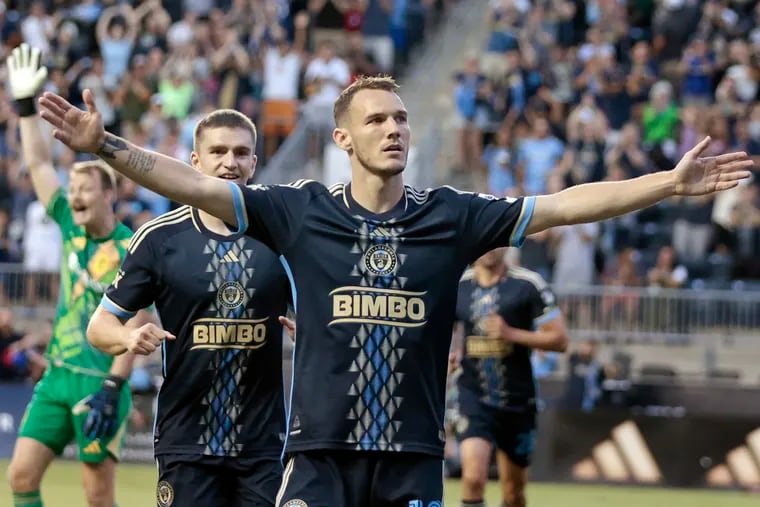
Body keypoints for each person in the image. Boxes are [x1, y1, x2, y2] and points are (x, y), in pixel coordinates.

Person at [37, 68, 751, 506]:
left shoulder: (454, 216)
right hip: (315, 456)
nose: (394, 129)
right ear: (343, 138)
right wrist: (104, 146)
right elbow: (191, 183)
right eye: (376, 119)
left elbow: (564, 203)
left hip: (410, 460)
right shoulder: (300, 210)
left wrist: (666, 183)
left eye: (402, 118)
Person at [86, 109, 294, 507]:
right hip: (186, 443)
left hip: (264, 445)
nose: (229, 162)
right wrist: (129, 335)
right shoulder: (159, 238)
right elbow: (100, 325)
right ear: (195, 162)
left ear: (254, 162)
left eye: (240, 152)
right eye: (217, 151)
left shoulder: (284, 234)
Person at [5, 44, 153, 507]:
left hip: (99, 380)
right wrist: (27, 106)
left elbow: (138, 325)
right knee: (21, 477)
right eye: (73, 190)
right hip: (56, 377)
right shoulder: (70, 224)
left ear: (109, 194)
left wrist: (114, 386)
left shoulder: (133, 246)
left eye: (85, 189)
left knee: (96, 497)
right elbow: (39, 164)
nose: (75, 196)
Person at [452, 247, 568, 507]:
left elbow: (560, 340)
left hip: (518, 399)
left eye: (497, 241)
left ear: (507, 245)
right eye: (484, 241)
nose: (489, 248)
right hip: (473, 396)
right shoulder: (457, 284)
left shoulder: (528, 284)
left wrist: (510, 334)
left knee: (513, 493)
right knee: (473, 477)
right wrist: (447, 354)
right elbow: (438, 331)